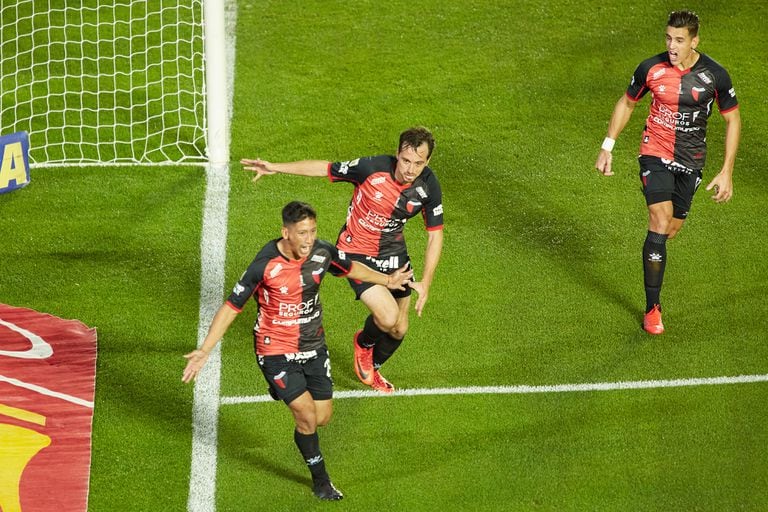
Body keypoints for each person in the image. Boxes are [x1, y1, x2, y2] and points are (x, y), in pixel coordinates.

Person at [182, 201, 413, 500]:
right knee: (305, 416)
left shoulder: (322, 252)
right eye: (302, 233)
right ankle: (321, 481)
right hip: (274, 347)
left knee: (322, 417)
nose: (308, 239)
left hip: (313, 345)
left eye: (313, 231)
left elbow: (350, 267)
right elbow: (231, 306)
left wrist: (387, 280)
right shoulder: (263, 265)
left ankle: (283, 391)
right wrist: (205, 350)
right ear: (286, 232)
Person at [241, 127, 444, 394]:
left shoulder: (428, 186)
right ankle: (364, 344)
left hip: (393, 255)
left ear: (427, 162)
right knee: (387, 316)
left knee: (399, 328)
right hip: (355, 252)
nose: (410, 169)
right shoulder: (371, 168)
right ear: (397, 154)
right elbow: (324, 168)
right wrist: (276, 167)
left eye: (419, 163)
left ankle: (374, 364)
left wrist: (426, 282)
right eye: (406, 160)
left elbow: (435, 236)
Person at [595, 10, 740, 334]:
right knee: (659, 220)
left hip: (691, 161)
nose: (671, 46)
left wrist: (726, 170)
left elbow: (732, 119)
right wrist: (608, 146)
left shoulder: (715, 75)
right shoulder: (651, 68)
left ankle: (655, 257)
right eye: (668, 38)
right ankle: (652, 308)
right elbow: (627, 102)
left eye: (679, 40)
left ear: (694, 41)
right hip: (655, 152)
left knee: (670, 230)